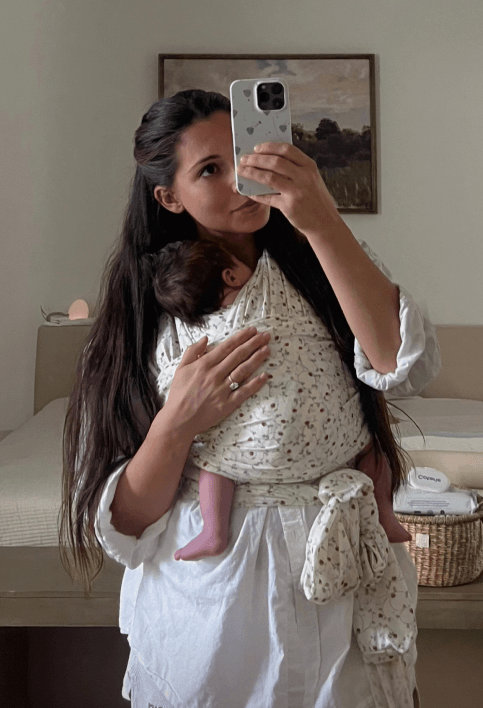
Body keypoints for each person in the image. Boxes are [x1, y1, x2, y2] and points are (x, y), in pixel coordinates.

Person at [59, 89, 441, 708]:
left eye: (246, 156)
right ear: (168, 196)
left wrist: (321, 215)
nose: (240, 180)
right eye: (211, 169)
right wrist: (175, 425)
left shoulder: (320, 258)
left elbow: (403, 362)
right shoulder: (148, 305)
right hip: (213, 618)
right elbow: (125, 521)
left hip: (339, 607)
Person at [146, 238, 411, 561]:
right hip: (336, 441)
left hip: (241, 458)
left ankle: (213, 531)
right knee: (373, 448)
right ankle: (383, 512)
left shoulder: (191, 332)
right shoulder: (287, 287)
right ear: (230, 276)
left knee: (213, 465)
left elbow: (172, 378)